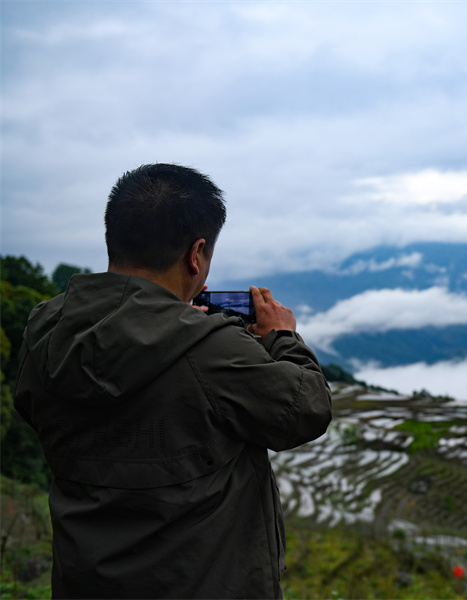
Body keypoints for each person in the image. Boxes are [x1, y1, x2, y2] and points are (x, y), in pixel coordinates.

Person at [14, 163, 332, 599]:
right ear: (196, 253)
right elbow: (307, 408)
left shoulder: (45, 330)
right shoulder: (208, 350)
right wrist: (282, 337)